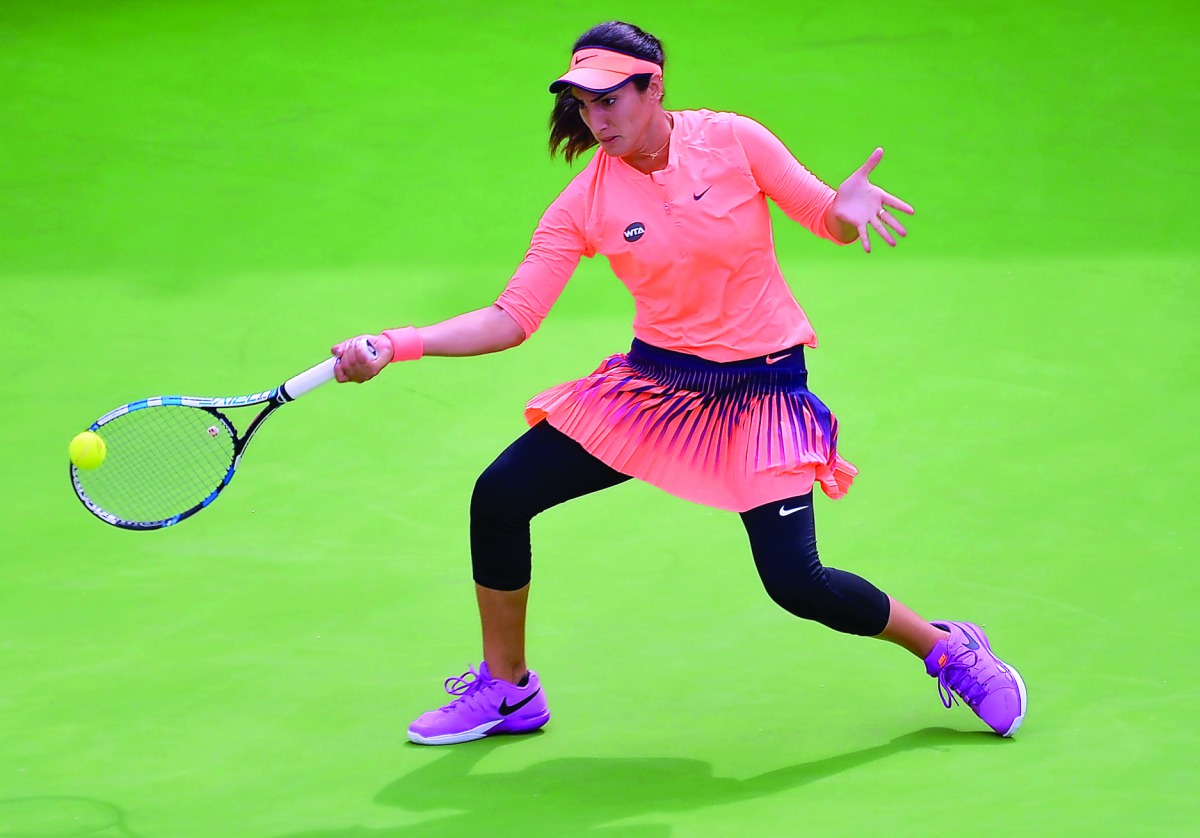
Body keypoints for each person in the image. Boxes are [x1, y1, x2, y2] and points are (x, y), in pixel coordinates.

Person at [332, 21, 1026, 745]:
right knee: (501, 495)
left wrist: (847, 217)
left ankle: (947, 649)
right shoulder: (583, 203)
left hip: (762, 395)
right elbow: (512, 316)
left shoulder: (733, 140)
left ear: (652, 86)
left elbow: (824, 216)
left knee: (798, 585)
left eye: (609, 100)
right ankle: (508, 690)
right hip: (657, 392)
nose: (596, 119)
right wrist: (396, 344)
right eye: (582, 104)